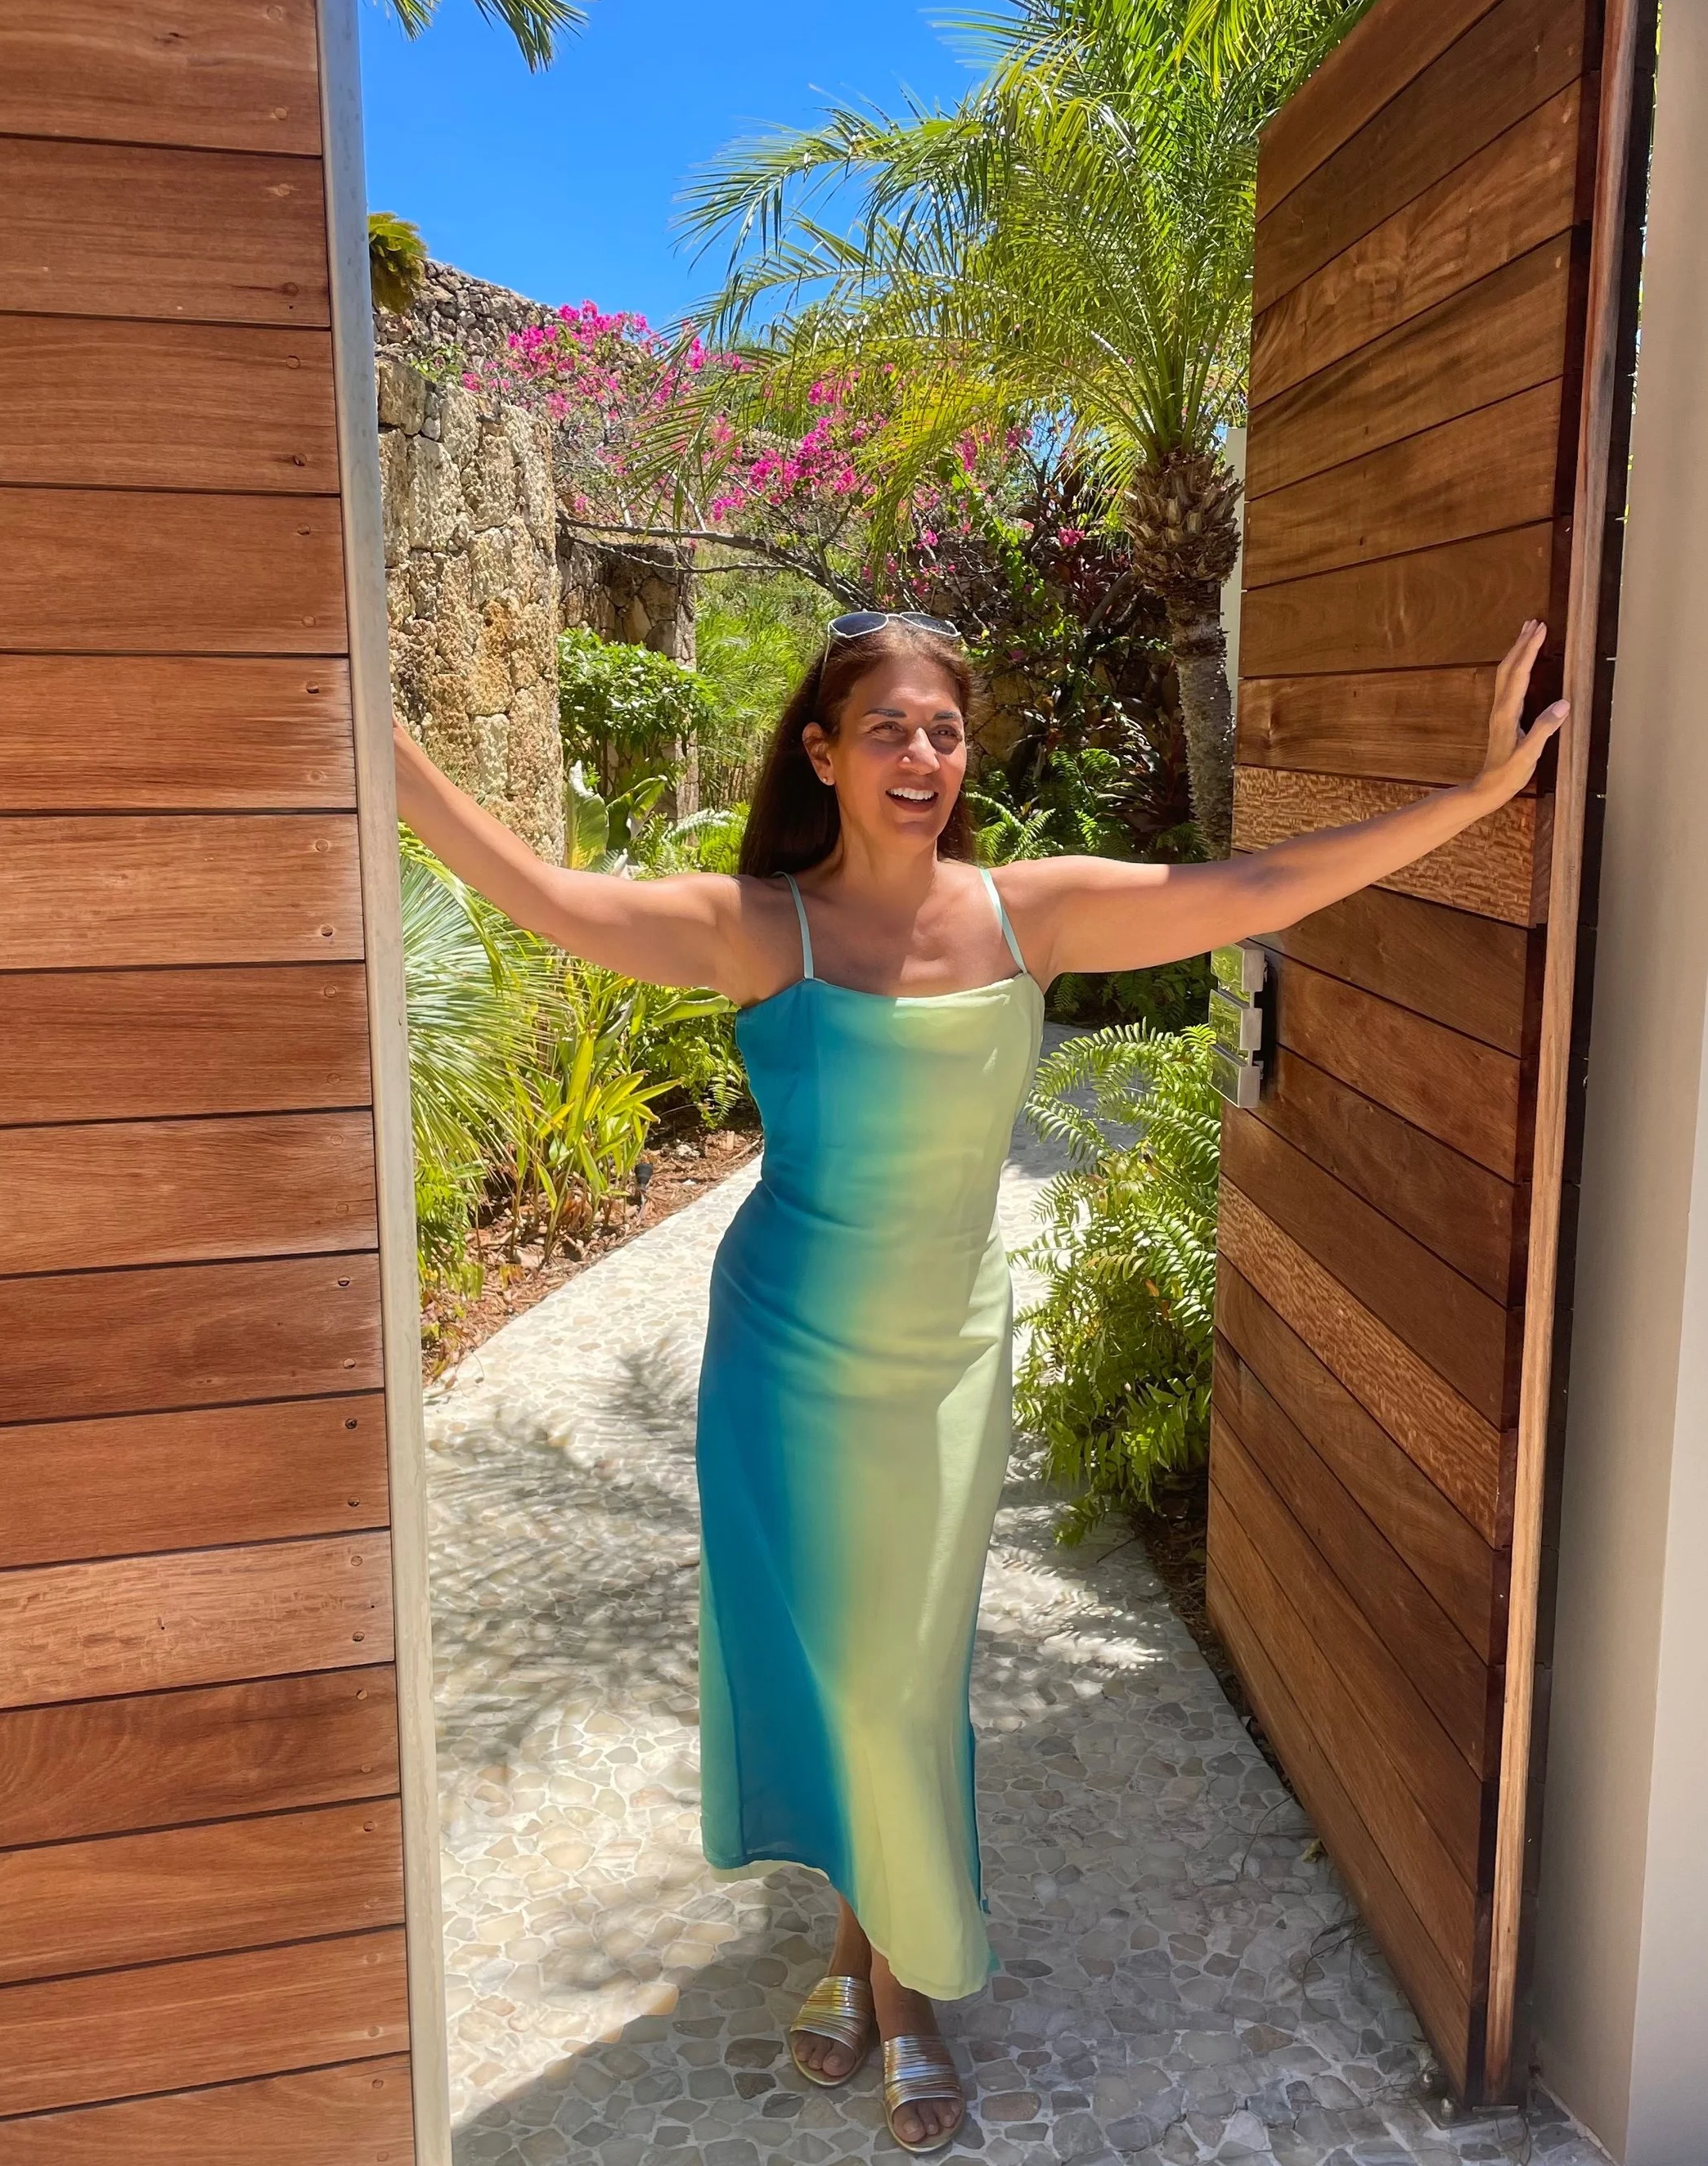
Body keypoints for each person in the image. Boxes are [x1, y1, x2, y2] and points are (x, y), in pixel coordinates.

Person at [394, 609, 1565, 2154]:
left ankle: (898, 1980)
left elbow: (1263, 887)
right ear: (822, 753)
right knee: (837, 1669)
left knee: (903, 1674)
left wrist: (1473, 799)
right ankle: (870, 1958)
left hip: (944, 1355)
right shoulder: (759, 927)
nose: (921, 756)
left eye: (943, 731)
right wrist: (380, 744)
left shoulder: (1031, 912)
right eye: (887, 727)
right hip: (784, 1350)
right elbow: (544, 896)